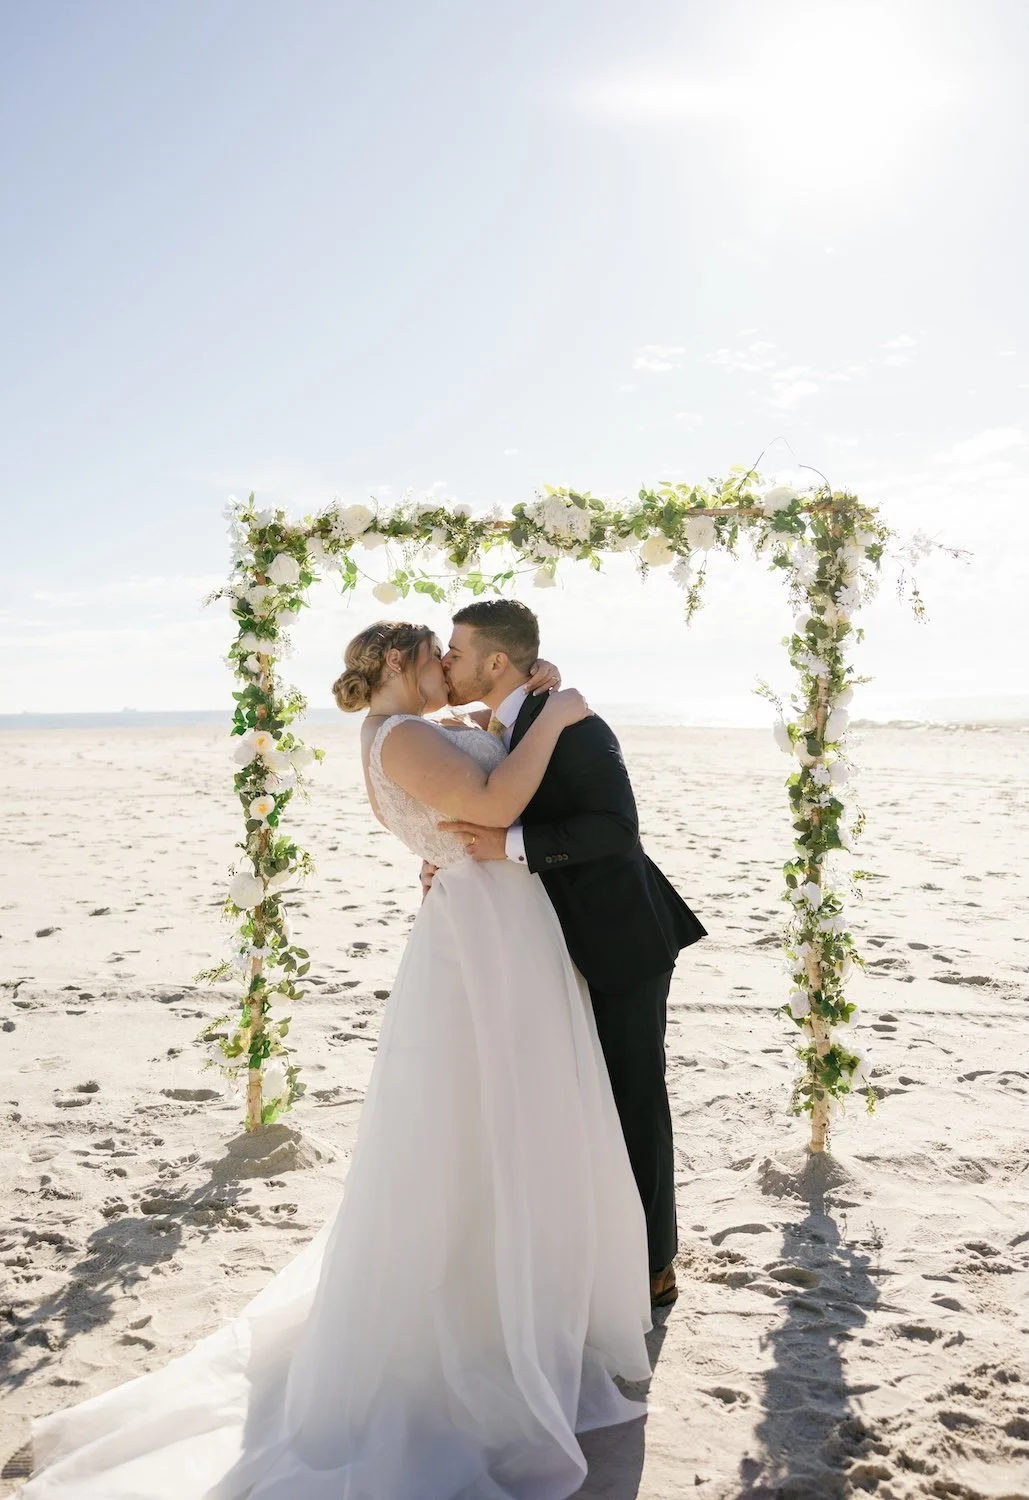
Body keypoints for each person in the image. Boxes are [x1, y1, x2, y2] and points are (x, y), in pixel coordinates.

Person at [21, 621, 653, 1500]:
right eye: (435, 656)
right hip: (484, 937)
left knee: (506, 1119)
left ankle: (519, 1298)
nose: (447, 668)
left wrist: (518, 702)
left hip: (498, 925)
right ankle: (479, 1319)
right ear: (398, 661)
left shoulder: (416, 728)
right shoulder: (399, 737)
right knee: (478, 1121)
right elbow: (493, 805)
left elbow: (482, 757)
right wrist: (558, 714)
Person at [437, 600, 707, 1310]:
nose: (445, 662)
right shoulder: (497, 725)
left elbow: (615, 828)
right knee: (569, 1100)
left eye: (456, 652)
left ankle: (653, 1264)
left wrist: (508, 846)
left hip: (618, 939)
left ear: (497, 661)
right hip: (541, 944)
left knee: (631, 1097)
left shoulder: (575, 723)